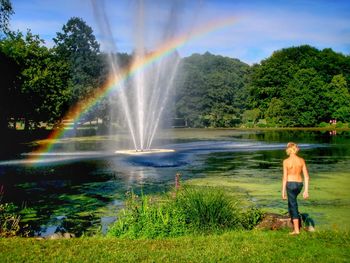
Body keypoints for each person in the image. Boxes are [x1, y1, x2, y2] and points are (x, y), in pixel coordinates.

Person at [282, 142, 309, 235]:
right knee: (291, 203)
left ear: (289, 150)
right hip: (299, 184)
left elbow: (285, 177)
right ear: (294, 149)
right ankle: (294, 223)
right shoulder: (301, 160)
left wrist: (283, 191)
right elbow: (306, 176)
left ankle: (296, 230)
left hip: (290, 184)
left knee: (293, 205)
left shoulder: (286, 161)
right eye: (297, 147)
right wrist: (305, 190)